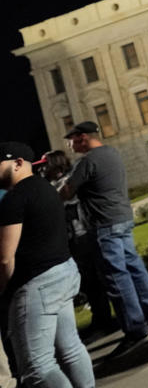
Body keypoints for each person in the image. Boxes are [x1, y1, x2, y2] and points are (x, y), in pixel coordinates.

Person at [59, 121, 148, 357]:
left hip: (104, 223)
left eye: (73, 139)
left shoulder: (86, 161)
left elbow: (67, 192)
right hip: (122, 217)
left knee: (116, 276)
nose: (70, 144)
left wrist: (59, 187)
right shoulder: (112, 153)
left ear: (83, 138)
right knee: (134, 267)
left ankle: (137, 330)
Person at [0, 141, 95, 387]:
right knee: (71, 348)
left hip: (36, 284)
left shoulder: (15, 199)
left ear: (18, 163)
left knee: (36, 368)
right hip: (63, 273)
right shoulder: (46, 189)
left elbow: (4, 258)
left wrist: (2, 291)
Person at [37, 151, 115, 340]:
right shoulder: (54, 184)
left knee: (92, 280)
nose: (41, 169)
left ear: (55, 165)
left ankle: (104, 321)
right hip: (73, 239)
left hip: (81, 237)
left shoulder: (67, 183)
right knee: (88, 282)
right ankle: (101, 318)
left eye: (45, 165)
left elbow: (57, 203)